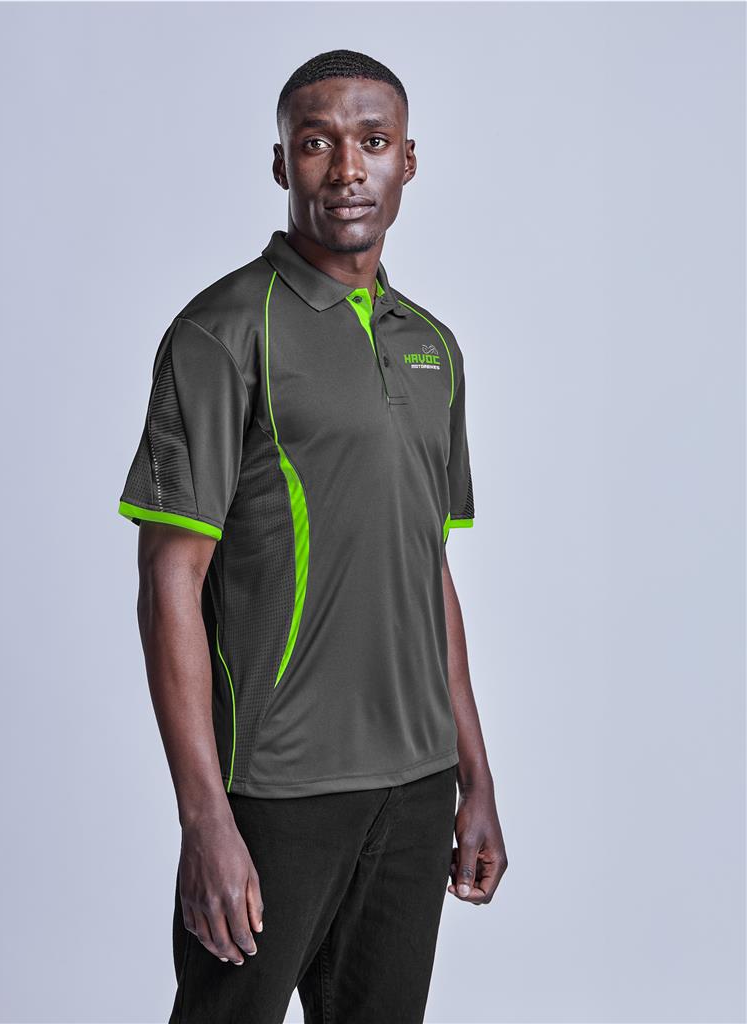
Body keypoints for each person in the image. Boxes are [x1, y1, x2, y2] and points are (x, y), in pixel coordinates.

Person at [116, 48, 507, 1024]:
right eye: (317, 143)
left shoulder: (432, 346)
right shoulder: (221, 333)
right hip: (276, 789)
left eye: (371, 142)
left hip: (415, 786)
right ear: (280, 162)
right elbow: (169, 580)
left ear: (407, 160)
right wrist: (203, 816)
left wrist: (474, 775)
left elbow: (428, 571)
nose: (347, 169)